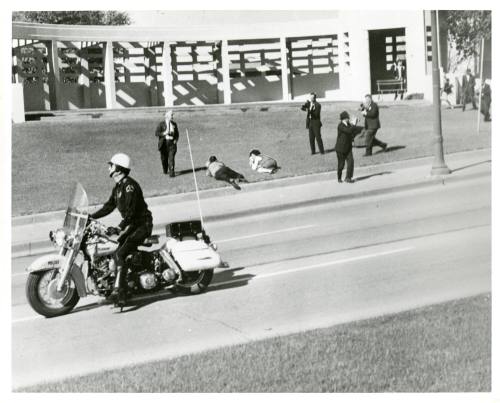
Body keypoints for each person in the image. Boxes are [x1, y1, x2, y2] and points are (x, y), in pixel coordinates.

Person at [90, 153, 153, 305]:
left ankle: (120, 292)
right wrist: (91, 217)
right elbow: (109, 206)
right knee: (117, 250)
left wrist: (119, 228)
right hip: (133, 225)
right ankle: (127, 285)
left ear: (118, 168)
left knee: (120, 253)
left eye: (111, 165)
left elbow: (131, 212)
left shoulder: (129, 186)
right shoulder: (118, 187)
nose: (108, 168)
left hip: (142, 225)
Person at [335, 111, 363, 183]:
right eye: (348, 118)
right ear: (344, 119)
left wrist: (356, 122)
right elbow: (349, 131)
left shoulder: (348, 124)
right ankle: (339, 178)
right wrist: (353, 124)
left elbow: (353, 129)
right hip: (340, 149)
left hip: (348, 147)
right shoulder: (340, 126)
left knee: (351, 162)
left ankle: (348, 177)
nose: (349, 119)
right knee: (341, 165)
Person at [155, 110, 179, 177]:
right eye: (171, 115)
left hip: (172, 144)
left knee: (171, 158)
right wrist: (163, 133)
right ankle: (165, 170)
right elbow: (156, 133)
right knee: (164, 159)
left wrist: (176, 140)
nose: (172, 116)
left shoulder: (174, 124)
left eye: (172, 115)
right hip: (164, 144)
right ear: (167, 116)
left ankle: (172, 173)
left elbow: (177, 134)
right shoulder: (161, 124)